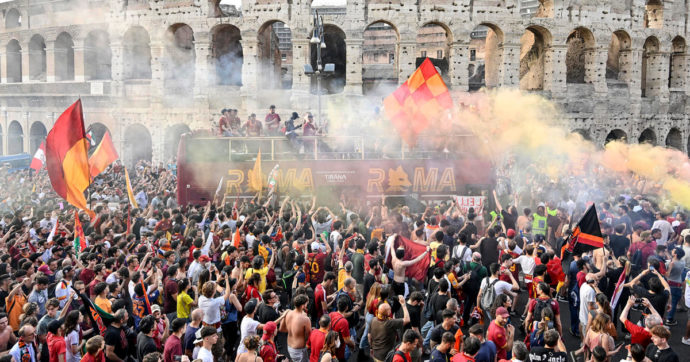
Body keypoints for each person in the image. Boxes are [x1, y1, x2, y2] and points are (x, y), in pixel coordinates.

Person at [370, 295, 410, 361]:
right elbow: (407, 319)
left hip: (376, 354)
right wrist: (403, 304)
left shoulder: (373, 320)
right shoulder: (389, 323)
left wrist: (371, 348)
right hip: (386, 356)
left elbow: (369, 336)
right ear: (388, 312)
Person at [280, 294, 310, 362]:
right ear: (303, 305)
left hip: (290, 347)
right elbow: (308, 336)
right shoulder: (305, 319)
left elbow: (281, 329)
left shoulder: (288, 313)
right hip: (299, 350)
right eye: (306, 304)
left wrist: (293, 330)